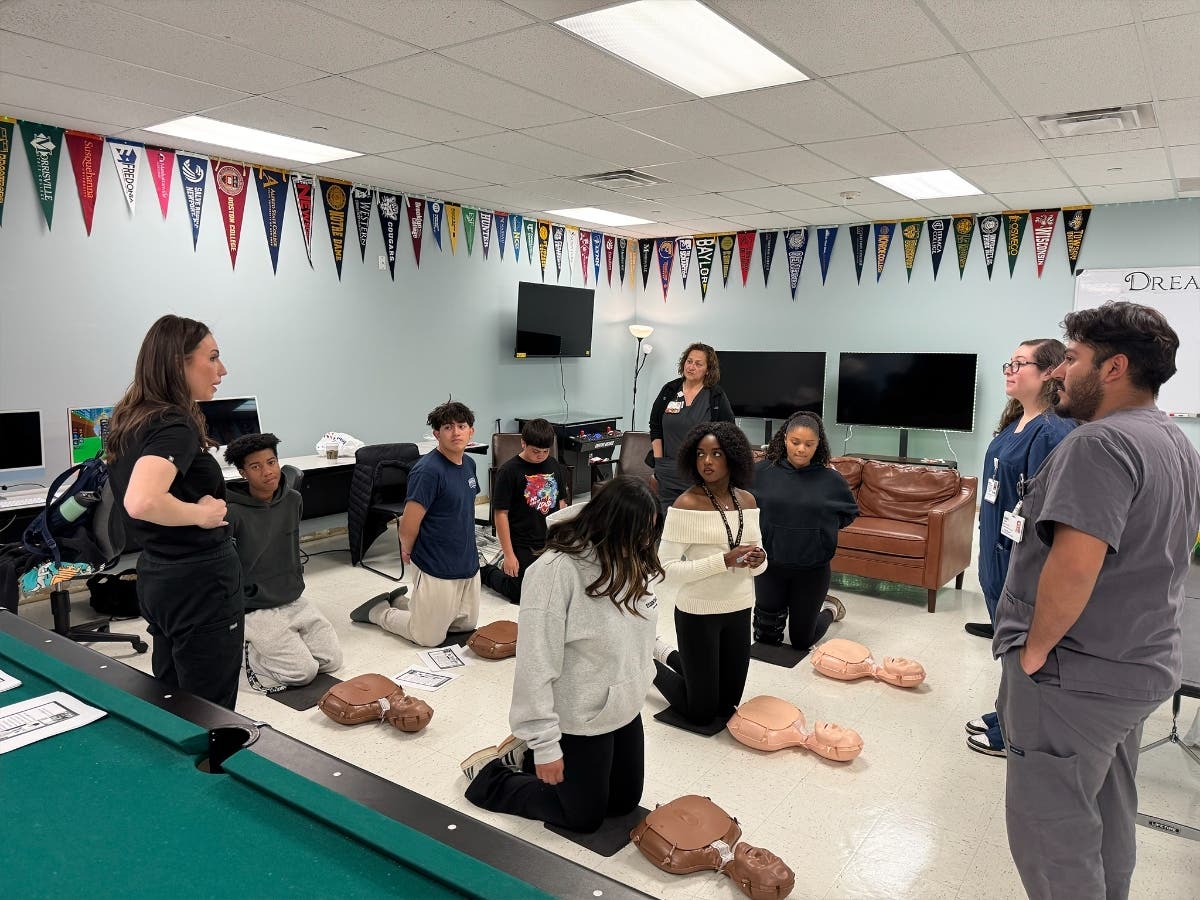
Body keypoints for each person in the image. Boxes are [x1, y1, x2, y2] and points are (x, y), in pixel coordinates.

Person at [992, 302, 1200, 900]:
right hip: (1138, 666)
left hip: (1074, 677)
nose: (1059, 371)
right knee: (1108, 810)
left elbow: (1074, 567)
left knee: (1052, 834)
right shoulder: (1174, 441)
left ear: (1113, 368)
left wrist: (1034, 652)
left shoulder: (1100, 445)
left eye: (1073, 359)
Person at [461, 477, 663, 834]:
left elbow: (639, 629)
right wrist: (545, 746)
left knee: (623, 803)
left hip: (622, 706)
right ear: (608, 524)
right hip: (577, 714)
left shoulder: (632, 554)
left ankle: (525, 754)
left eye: (649, 533)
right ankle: (492, 774)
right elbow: (535, 666)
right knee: (583, 818)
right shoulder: (555, 572)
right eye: (638, 533)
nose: (645, 542)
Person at [105, 315, 243, 710]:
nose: (222, 370)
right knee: (209, 710)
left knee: (172, 695)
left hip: (159, 575)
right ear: (177, 363)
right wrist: (200, 515)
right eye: (212, 358)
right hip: (199, 579)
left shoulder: (131, 418)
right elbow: (142, 501)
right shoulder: (174, 425)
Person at [964, 339, 1073, 758]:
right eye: (1009, 363)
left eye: (1020, 363)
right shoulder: (1016, 424)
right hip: (997, 557)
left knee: (1025, 652)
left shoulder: (1052, 432)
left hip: (1022, 562)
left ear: (1049, 373)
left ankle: (1017, 732)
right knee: (1008, 650)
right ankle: (1006, 711)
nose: (1010, 370)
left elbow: (1048, 511)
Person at [653, 422, 766, 726]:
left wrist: (760, 559)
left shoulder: (748, 501)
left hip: (739, 609)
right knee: (701, 713)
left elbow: (760, 561)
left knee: (727, 707)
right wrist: (723, 561)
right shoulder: (686, 504)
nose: (707, 461)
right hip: (698, 613)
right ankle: (644, 661)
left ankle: (670, 655)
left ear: (732, 457)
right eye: (700, 454)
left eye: (716, 453)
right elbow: (666, 568)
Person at [351, 401, 481, 647]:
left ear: (471, 431)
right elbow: (409, 523)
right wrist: (408, 550)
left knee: (463, 625)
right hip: (436, 562)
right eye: (448, 427)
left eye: (461, 426)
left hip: (466, 561)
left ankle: (403, 603)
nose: (456, 433)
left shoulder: (469, 464)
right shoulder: (428, 471)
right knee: (428, 637)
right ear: (436, 434)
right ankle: (379, 611)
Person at [223, 433, 342, 692]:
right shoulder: (231, 512)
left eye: (271, 462)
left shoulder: (293, 500)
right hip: (253, 606)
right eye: (256, 467)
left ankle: (280, 644)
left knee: (331, 661)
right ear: (243, 473)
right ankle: (247, 654)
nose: (268, 472)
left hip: (292, 597)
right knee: (303, 673)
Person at [751, 412, 858, 651]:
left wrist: (818, 532)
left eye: (809, 444)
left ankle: (830, 609)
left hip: (812, 570)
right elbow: (745, 507)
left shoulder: (831, 480)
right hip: (770, 567)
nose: (801, 449)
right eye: (795, 442)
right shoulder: (761, 472)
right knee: (765, 638)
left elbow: (849, 513)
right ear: (785, 439)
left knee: (801, 641)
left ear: (818, 444)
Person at [479, 418, 569, 604]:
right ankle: (485, 571)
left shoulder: (554, 465)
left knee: (557, 586)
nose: (541, 456)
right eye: (535, 451)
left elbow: (561, 503)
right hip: (521, 542)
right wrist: (509, 554)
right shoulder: (508, 471)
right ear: (523, 443)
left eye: (545, 451)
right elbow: (501, 514)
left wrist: (563, 538)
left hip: (549, 540)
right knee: (521, 593)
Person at [648, 342, 735, 512]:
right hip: (668, 470)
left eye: (698, 364)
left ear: (708, 370)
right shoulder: (669, 390)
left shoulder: (715, 396)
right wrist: (659, 461)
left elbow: (728, 433)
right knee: (668, 519)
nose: (691, 367)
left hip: (700, 473)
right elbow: (655, 425)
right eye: (689, 361)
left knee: (695, 521)